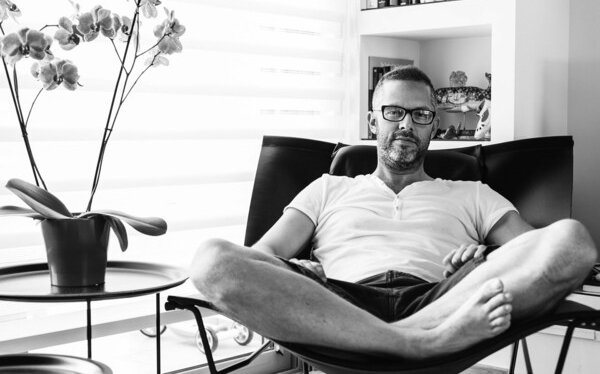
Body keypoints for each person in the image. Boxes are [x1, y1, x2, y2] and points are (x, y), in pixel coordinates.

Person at [190, 66, 597, 359]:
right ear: (373, 121)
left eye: (420, 115)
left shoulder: (472, 193)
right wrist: (292, 267)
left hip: (441, 298)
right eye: (394, 112)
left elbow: (535, 249)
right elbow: (262, 253)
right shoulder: (328, 188)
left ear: (433, 126)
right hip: (339, 301)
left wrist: (485, 257)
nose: (406, 124)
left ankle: (405, 335)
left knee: (573, 240)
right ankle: (418, 342)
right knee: (211, 259)